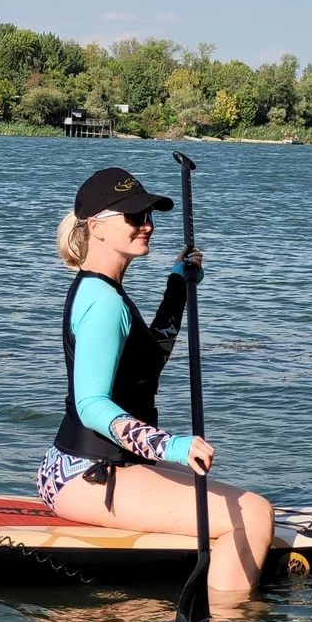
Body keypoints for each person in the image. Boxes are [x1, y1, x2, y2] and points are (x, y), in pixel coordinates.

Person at [37, 166, 274, 595]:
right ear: (97, 226)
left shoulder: (103, 291)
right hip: (88, 474)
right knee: (254, 515)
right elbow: (91, 403)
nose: (147, 224)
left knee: (243, 506)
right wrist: (171, 446)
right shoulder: (104, 302)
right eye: (133, 216)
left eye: (149, 214)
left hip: (92, 465)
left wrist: (177, 288)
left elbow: (149, 361)